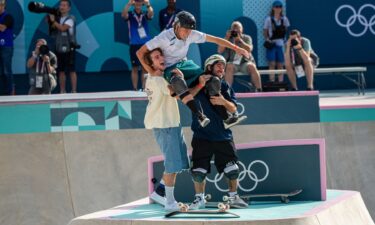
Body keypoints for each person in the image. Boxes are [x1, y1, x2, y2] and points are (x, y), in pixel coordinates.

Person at [137, 11, 249, 128]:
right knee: (177, 81)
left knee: (212, 80)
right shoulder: (163, 37)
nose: (188, 33)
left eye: (190, 30)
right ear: (177, 26)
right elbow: (140, 52)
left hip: (185, 63)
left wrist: (237, 48)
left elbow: (215, 39)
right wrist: (153, 72)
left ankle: (226, 118)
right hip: (170, 68)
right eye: (185, 30)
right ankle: (200, 116)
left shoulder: (192, 34)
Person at [188, 54, 248, 210]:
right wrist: (201, 85)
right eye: (218, 65)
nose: (222, 68)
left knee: (232, 169)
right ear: (209, 67)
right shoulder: (197, 83)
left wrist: (222, 101)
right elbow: (186, 97)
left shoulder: (225, 86)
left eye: (223, 65)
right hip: (202, 135)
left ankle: (234, 198)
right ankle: (199, 199)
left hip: (222, 135)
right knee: (198, 172)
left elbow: (234, 108)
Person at [143, 48, 190, 211]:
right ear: (151, 63)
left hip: (172, 123)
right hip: (165, 126)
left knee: (178, 163)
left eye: (161, 55)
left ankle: (160, 192)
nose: (161, 58)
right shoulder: (158, 81)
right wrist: (181, 78)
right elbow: (178, 95)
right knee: (172, 165)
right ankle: (169, 203)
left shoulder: (154, 78)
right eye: (156, 57)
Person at [218, 21, 262, 91]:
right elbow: (220, 50)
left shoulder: (247, 38)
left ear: (242, 30)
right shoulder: (228, 38)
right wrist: (226, 37)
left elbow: (249, 49)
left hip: (244, 63)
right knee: (229, 66)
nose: (236, 32)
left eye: (238, 30)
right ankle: (227, 91)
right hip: (233, 63)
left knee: (252, 66)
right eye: (234, 30)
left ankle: (259, 90)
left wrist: (240, 40)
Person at [122, 0, 154, 91]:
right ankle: (135, 88)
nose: (138, 4)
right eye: (136, 2)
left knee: (145, 67)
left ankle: (144, 88)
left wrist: (148, 4)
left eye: (140, 2)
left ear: (142, 4)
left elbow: (151, 14)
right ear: (133, 3)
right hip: (134, 44)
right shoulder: (130, 14)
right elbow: (123, 15)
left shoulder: (145, 14)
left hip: (145, 44)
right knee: (135, 67)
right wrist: (128, 4)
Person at [48, 0, 77, 93]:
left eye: (64, 5)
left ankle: (74, 91)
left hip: (69, 48)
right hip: (58, 47)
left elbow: (63, 28)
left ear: (69, 8)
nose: (62, 7)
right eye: (61, 5)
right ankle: (62, 91)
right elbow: (52, 28)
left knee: (71, 71)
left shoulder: (71, 18)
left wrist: (53, 21)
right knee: (60, 71)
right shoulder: (57, 18)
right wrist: (50, 20)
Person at [263, 0, 290, 83]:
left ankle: (280, 81)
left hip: (281, 44)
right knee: (272, 63)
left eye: (280, 7)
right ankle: (272, 81)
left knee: (280, 64)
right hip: (272, 43)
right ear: (273, 8)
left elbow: (286, 30)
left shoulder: (284, 19)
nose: (278, 8)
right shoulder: (268, 19)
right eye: (276, 6)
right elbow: (265, 31)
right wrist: (267, 39)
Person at [0, 0, 14, 95]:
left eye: (1, 5)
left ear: (4, 6)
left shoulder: (8, 16)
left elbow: (2, 28)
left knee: (6, 70)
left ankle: (9, 92)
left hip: (6, 47)